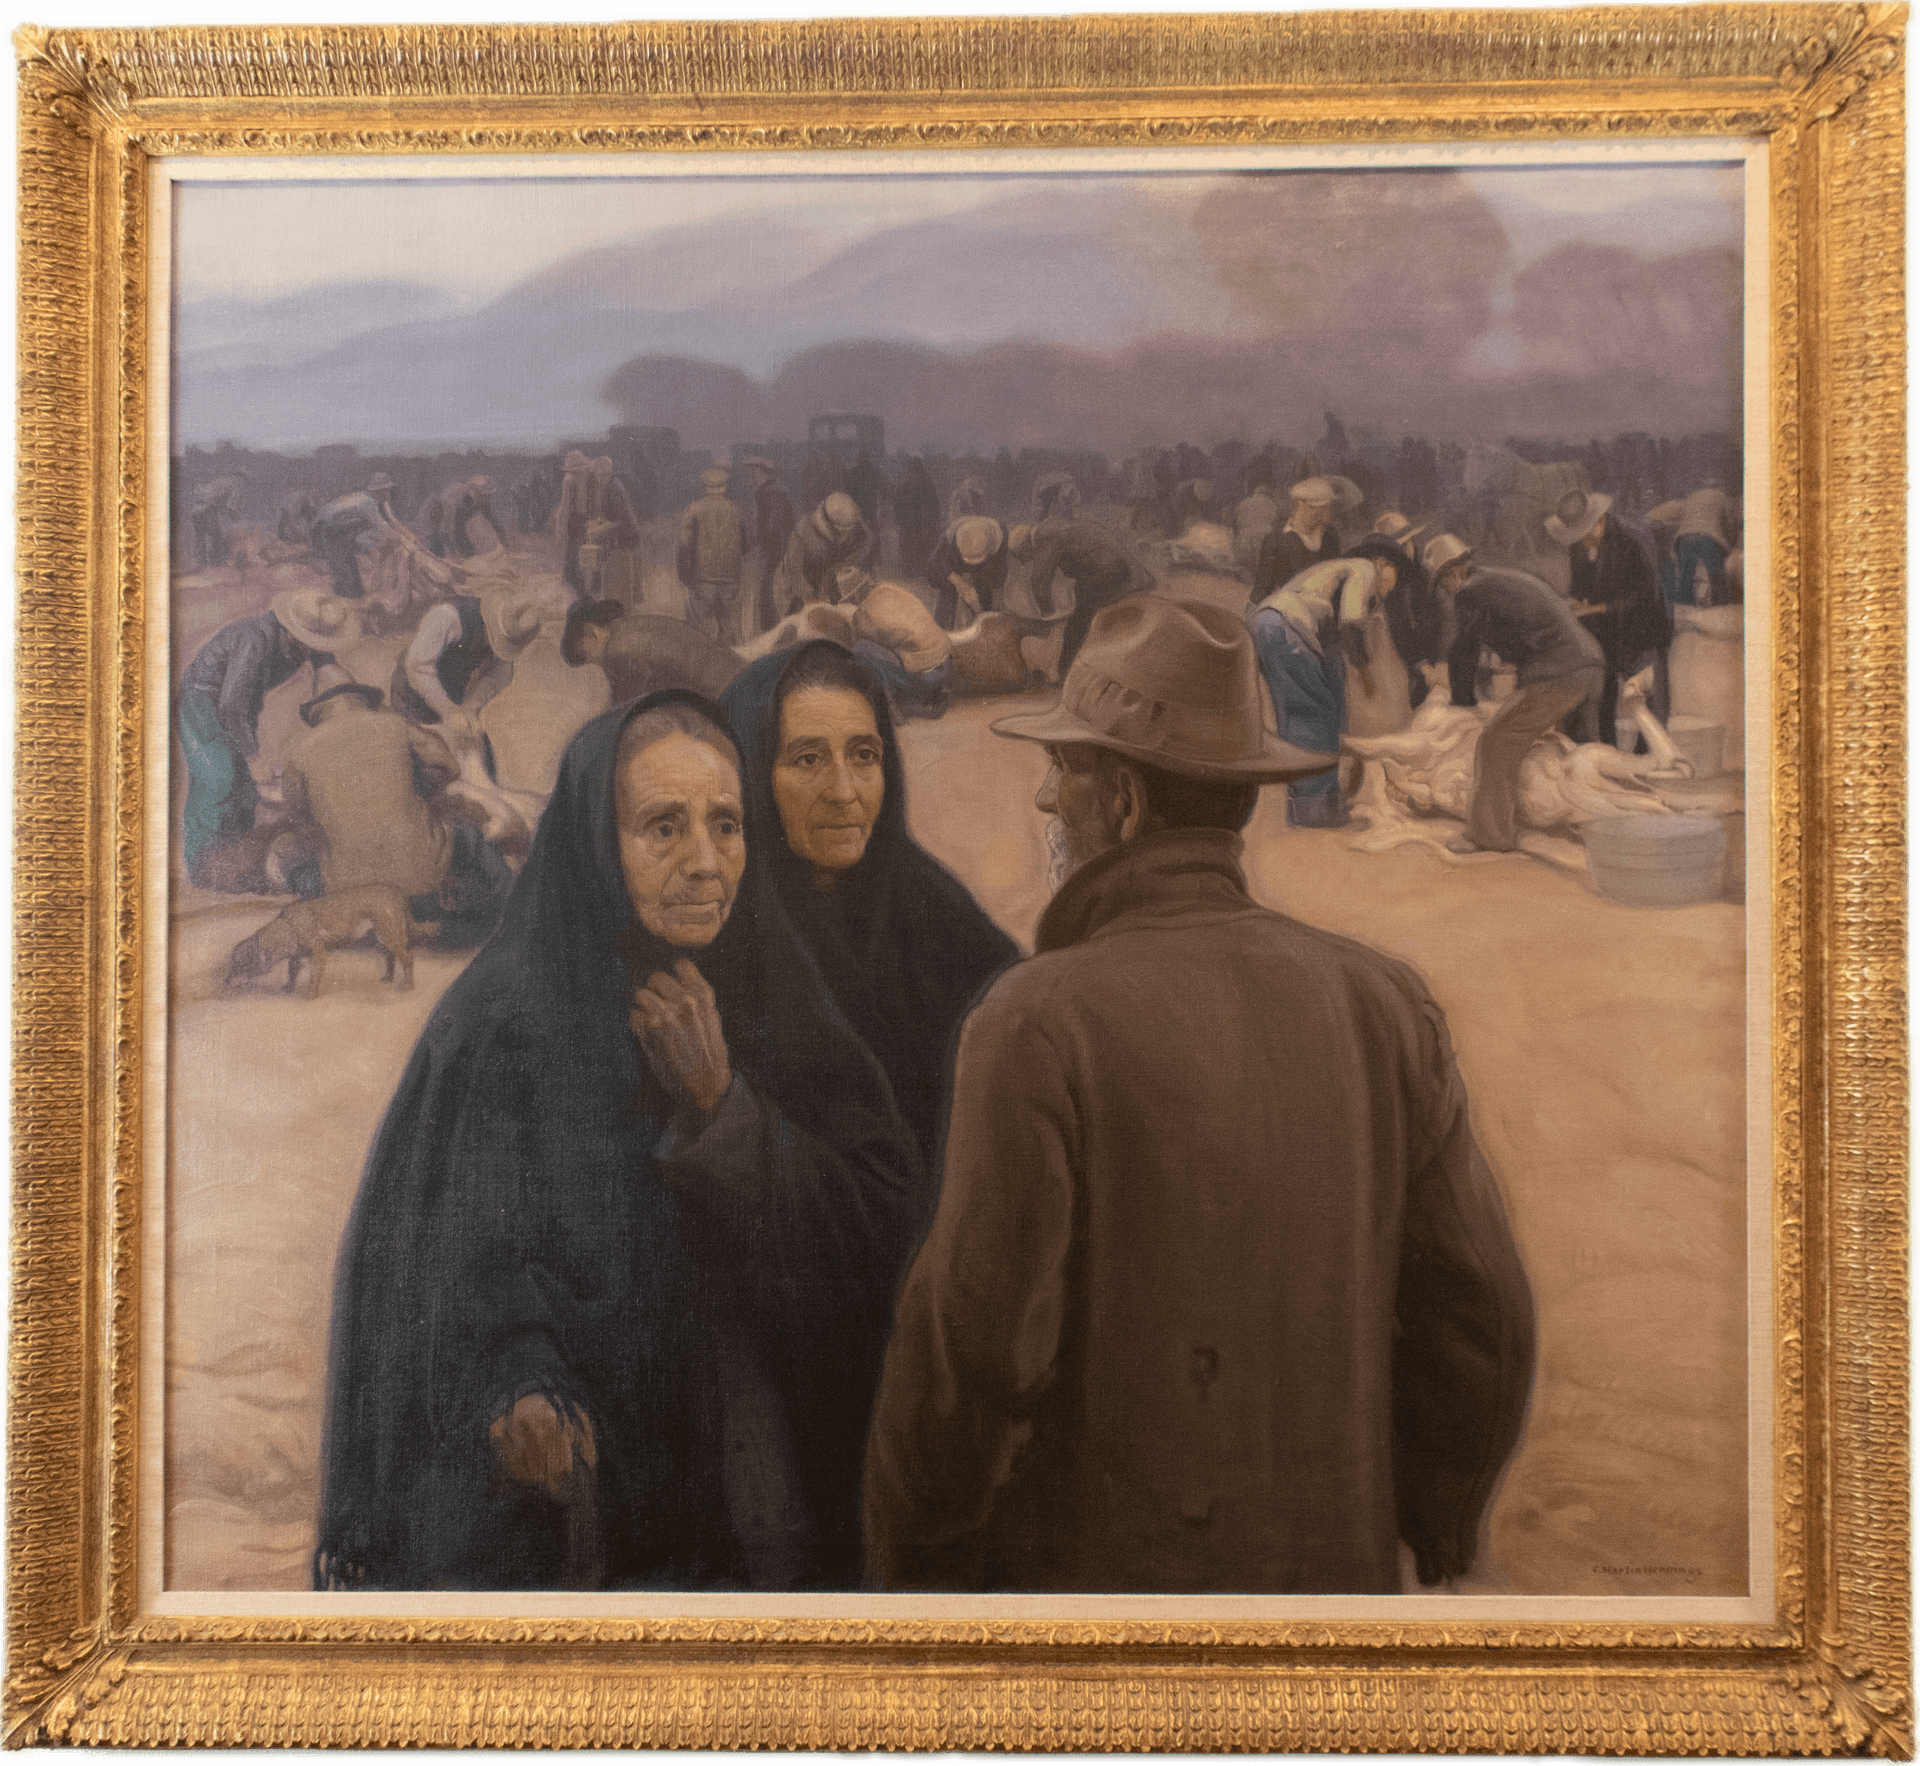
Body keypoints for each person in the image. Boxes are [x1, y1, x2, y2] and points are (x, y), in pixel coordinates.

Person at [862, 595, 1534, 1593]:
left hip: (1101, 1628)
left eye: (1065, 770)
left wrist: (917, 1579)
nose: (1049, 802)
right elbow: (1482, 1320)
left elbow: (972, 1362)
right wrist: (1428, 1519)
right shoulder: (1384, 1000)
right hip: (1331, 1593)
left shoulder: (1036, 1019)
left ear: (1123, 801)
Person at [315, 694, 928, 1592]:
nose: (706, 864)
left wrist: (724, 1109)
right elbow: (443, 1284)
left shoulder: (776, 999)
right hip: (574, 1530)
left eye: (727, 826)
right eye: (662, 829)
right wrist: (520, 1386)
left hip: (752, 1512)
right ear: (598, 843)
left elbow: (883, 1227)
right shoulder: (497, 1032)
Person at [722, 644, 1019, 1166]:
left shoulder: (934, 912)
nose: (844, 791)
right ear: (749, 776)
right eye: (808, 759)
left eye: (864, 756)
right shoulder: (721, 937)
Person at [1427, 532, 1605, 854]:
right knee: (1581, 753)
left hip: (1557, 673)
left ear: (1452, 572)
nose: (1444, 592)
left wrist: (1463, 702)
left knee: (1496, 742)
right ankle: (1603, 828)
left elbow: (1464, 652)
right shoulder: (1498, 581)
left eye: (1442, 583)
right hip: (1589, 665)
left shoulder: (1470, 593)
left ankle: (1489, 834)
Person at [175, 588, 357, 887]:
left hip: (238, 706)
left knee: (245, 786)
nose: (317, 647)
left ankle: (236, 856)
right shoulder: (254, 641)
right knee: (218, 775)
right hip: (201, 700)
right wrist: (254, 757)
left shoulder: (307, 639)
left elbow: (329, 671)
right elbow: (232, 707)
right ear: (294, 631)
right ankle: (202, 866)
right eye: (313, 642)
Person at [1245, 540, 1400, 829]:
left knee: (1309, 714)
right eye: (1393, 570)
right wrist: (1365, 672)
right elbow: (1352, 625)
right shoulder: (1362, 569)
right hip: (1283, 628)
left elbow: (1331, 658)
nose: (1394, 581)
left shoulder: (1334, 579)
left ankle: (1319, 802)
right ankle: (1312, 811)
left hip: (1268, 626)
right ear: (1379, 564)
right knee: (1312, 715)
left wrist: (1342, 720)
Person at [1545, 489, 1672, 744]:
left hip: (1643, 628)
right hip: (1605, 630)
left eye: (1584, 534)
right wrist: (1576, 601)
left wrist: (1597, 608)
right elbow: (1581, 585)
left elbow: (1645, 595)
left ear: (1599, 521)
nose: (1581, 542)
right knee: (1601, 695)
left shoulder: (1632, 540)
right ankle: (1606, 755)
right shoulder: (1580, 546)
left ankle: (1650, 761)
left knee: (1650, 698)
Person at [1009, 517, 1156, 676]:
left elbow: (1040, 578)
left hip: (1110, 574)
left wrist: (1047, 614)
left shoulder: (1045, 535)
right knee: (1094, 619)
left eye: (1023, 556)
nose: (1026, 562)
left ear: (1026, 545)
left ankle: (1066, 676)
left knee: (1077, 628)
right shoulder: (1055, 525)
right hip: (1118, 572)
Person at [563, 599, 744, 704]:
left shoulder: (616, 651)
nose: (598, 664)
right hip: (738, 672)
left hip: (727, 695)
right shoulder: (626, 626)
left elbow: (625, 709)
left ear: (591, 631)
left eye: (588, 657)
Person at [771, 493, 872, 620]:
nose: (846, 535)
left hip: (832, 590)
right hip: (797, 591)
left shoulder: (862, 534)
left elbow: (852, 563)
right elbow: (794, 573)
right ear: (827, 524)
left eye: (849, 531)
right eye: (840, 531)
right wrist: (812, 599)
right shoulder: (803, 532)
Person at [677, 467, 746, 643]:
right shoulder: (736, 510)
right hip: (730, 578)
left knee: (700, 632)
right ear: (724, 487)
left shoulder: (694, 510)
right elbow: (746, 544)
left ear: (704, 486)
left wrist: (686, 577)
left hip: (703, 578)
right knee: (730, 628)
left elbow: (684, 545)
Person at [310, 475, 405, 601]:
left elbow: (386, 522)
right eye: (387, 490)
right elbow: (382, 526)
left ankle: (347, 600)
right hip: (326, 530)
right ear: (379, 491)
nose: (389, 493)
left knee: (348, 567)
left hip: (332, 531)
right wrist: (403, 540)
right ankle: (346, 603)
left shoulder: (367, 499)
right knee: (345, 570)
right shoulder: (367, 503)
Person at [1646, 478, 1738, 607]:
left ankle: (1685, 607)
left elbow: (1683, 519)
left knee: (1685, 579)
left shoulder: (1693, 496)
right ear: (1718, 487)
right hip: (1709, 538)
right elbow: (1729, 522)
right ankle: (1719, 607)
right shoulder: (1721, 496)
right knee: (1716, 576)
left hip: (1685, 538)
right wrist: (1729, 544)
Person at [1253, 476, 1343, 597]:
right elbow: (1263, 589)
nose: (1318, 513)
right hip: (1292, 608)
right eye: (1312, 507)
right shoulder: (1277, 540)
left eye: (1323, 508)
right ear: (1298, 505)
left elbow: (1337, 578)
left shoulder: (1330, 535)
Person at [745, 457, 799, 635]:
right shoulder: (770, 490)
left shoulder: (772, 493)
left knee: (770, 589)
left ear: (763, 472)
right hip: (778, 546)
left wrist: (759, 542)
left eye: (754, 471)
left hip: (777, 547)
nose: (751, 475)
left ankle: (772, 630)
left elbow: (773, 524)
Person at [924, 516, 1008, 628]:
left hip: (986, 565)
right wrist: (959, 582)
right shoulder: (949, 537)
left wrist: (997, 596)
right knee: (947, 596)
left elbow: (999, 570)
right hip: (954, 563)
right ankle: (942, 632)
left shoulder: (999, 535)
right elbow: (934, 567)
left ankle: (984, 628)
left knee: (987, 597)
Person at [891, 457, 941, 579]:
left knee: (910, 546)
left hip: (912, 522)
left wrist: (899, 517)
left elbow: (897, 503)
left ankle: (910, 572)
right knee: (918, 546)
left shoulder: (907, 483)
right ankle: (916, 572)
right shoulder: (926, 483)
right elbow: (933, 504)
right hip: (919, 522)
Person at [190, 471, 247, 569]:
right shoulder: (236, 483)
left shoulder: (220, 480)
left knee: (200, 537)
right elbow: (230, 508)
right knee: (217, 536)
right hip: (208, 509)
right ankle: (216, 565)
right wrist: (235, 517)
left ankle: (201, 564)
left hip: (196, 510)